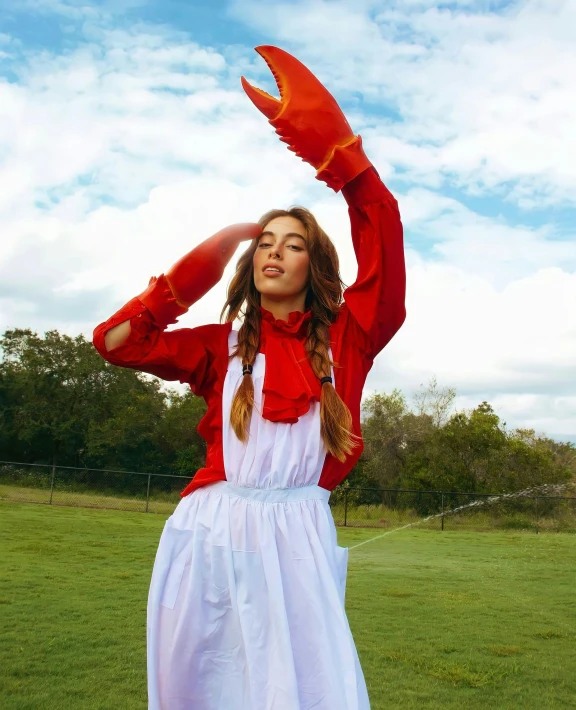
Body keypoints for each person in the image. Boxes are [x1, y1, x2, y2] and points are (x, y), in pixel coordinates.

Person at [93, 45, 406, 710]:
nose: (274, 250)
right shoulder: (219, 346)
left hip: (299, 536)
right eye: (265, 242)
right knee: (203, 688)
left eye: (293, 243)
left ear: (315, 265)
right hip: (208, 532)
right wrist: (187, 275)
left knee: (311, 695)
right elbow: (117, 343)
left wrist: (344, 164)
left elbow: (383, 231)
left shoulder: (352, 335)